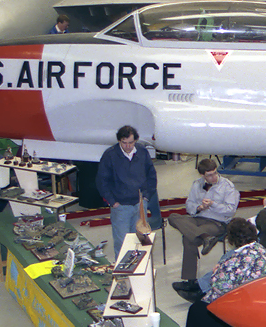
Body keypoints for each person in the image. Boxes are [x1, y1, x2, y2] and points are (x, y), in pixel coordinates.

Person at [181, 218, 266, 327]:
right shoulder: (261, 250)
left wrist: (217, 271)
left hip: (241, 303)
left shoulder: (238, 260)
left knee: (196, 310)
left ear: (232, 240)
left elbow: (218, 287)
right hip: (258, 298)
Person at [169, 158, 239, 291]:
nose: (213, 177)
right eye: (209, 175)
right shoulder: (196, 184)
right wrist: (199, 208)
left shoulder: (227, 186)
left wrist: (213, 204)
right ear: (202, 175)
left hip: (217, 222)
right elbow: (189, 205)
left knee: (188, 238)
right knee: (173, 217)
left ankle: (190, 281)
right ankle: (205, 237)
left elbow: (230, 211)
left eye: (214, 173)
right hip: (198, 218)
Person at [96, 125, 158, 257]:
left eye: (131, 143)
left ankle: (139, 271)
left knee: (140, 240)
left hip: (140, 204)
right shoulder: (110, 155)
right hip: (121, 207)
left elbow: (151, 175)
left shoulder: (142, 152)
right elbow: (102, 181)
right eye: (124, 143)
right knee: (122, 242)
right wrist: (112, 202)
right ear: (119, 141)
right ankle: (123, 274)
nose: (128, 146)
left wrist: (146, 196)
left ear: (136, 141)